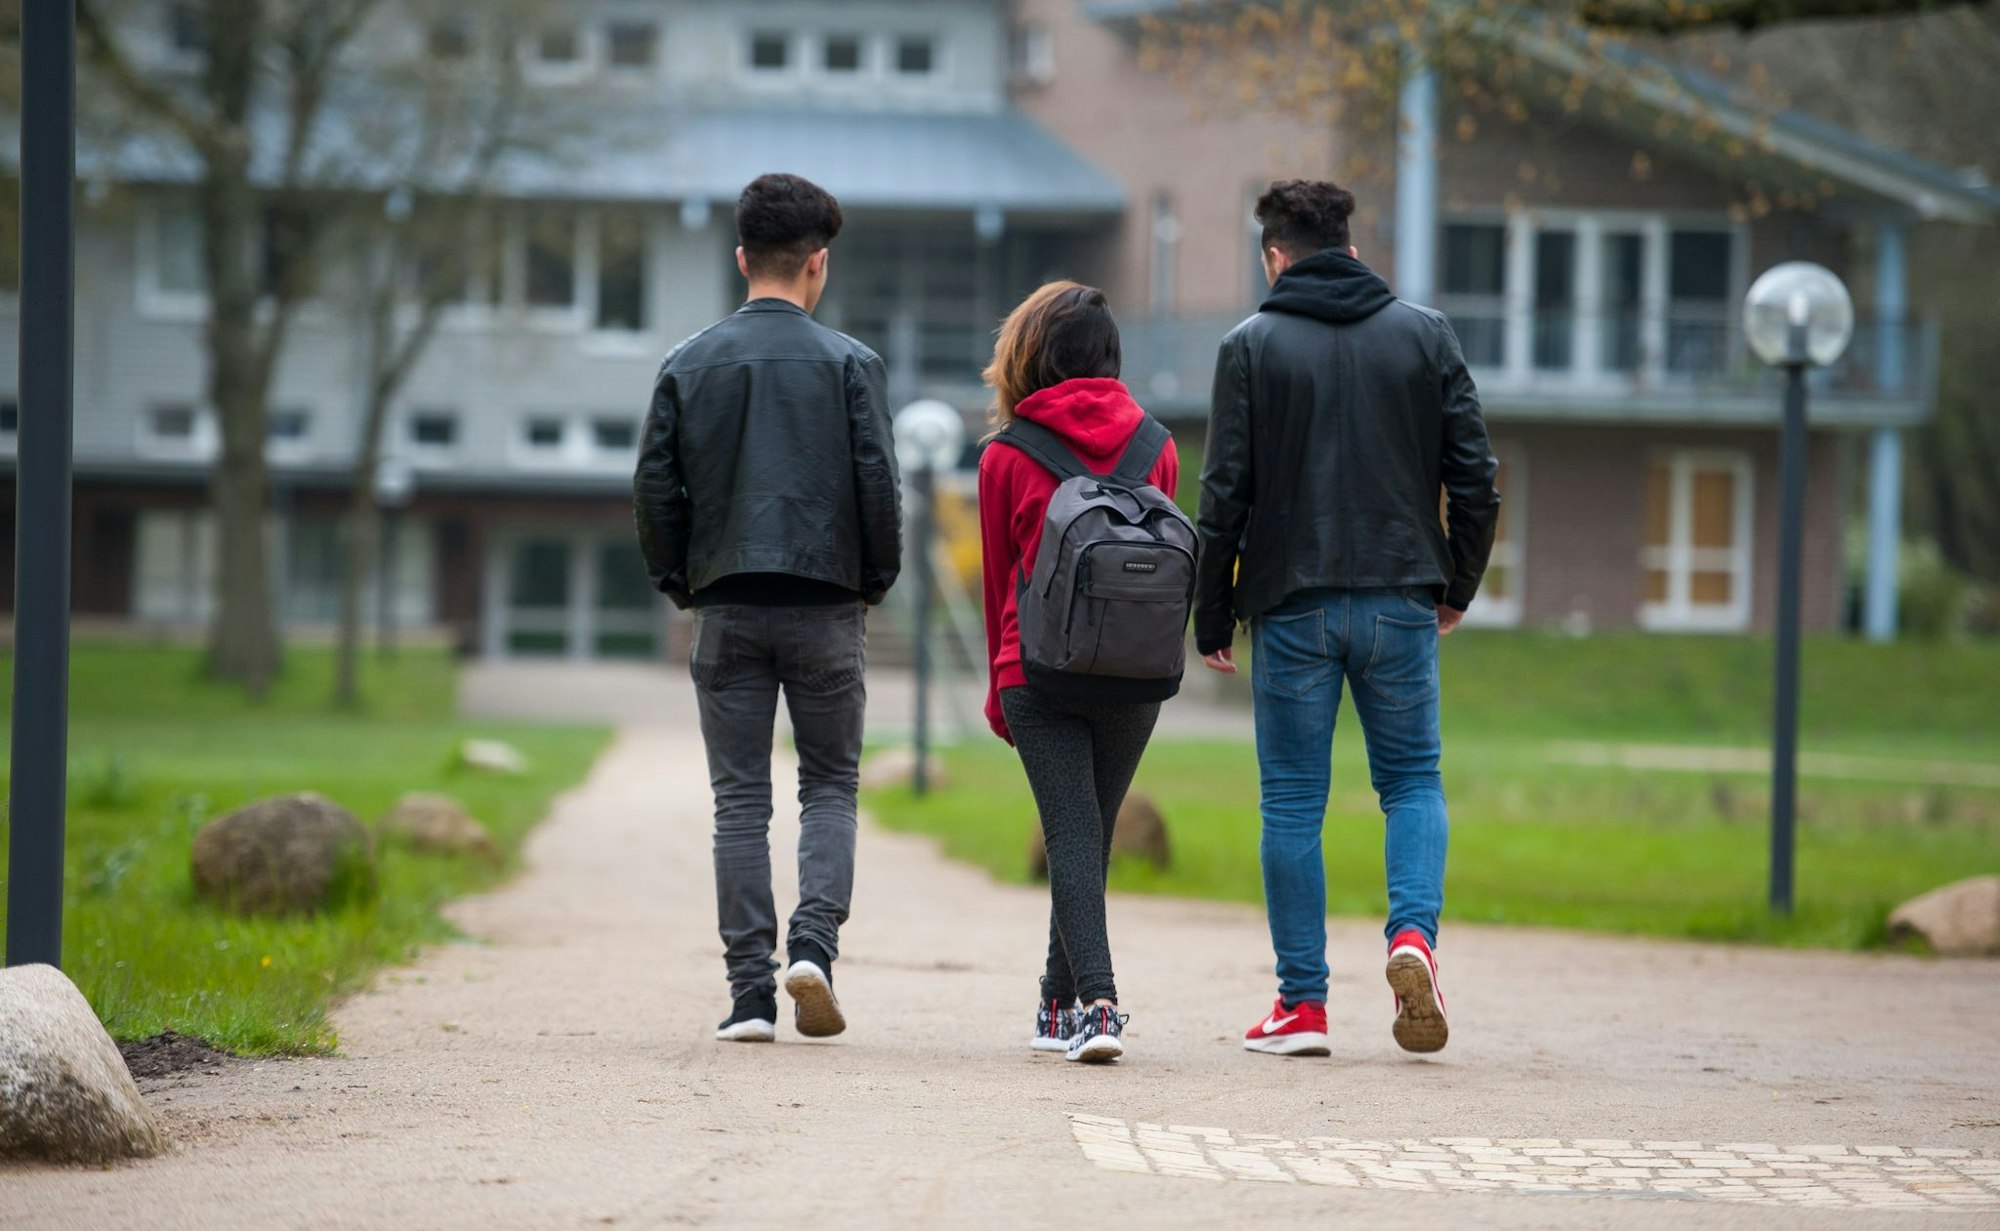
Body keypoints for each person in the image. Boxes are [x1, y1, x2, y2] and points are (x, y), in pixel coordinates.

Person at [1194, 180, 1500, 1058]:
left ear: (1274, 257)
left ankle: (1303, 1007)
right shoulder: (1425, 333)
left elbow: (1224, 497)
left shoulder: (1249, 345)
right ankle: (1412, 938)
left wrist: (1211, 613)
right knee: (1411, 781)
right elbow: (1476, 478)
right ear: (1354, 250)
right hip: (1403, 598)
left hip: (1291, 605)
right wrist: (1457, 586)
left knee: (1292, 799)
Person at [634, 173, 901, 1045]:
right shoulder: (853, 365)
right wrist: (873, 581)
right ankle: (813, 947)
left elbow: (655, 492)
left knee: (738, 801)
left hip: (728, 605)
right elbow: (878, 490)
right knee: (830, 785)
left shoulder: (686, 363)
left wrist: (683, 579)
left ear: (741, 258)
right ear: (817, 264)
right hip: (826, 605)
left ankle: (749, 994)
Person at [977, 282, 1184, 1065]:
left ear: (1029, 354)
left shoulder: (1005, 454)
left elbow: (1002, 583)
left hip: (1041, 670)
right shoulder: (1156, 445)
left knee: (1073, 831)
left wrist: (1002, 694)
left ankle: (1097, 1003)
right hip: (1137, 671)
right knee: (1084, 834)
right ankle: (1054, 1002)